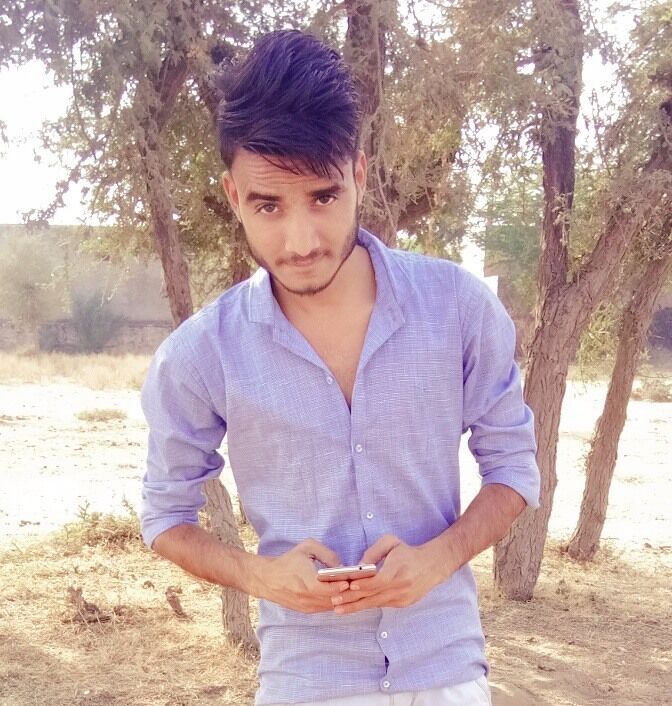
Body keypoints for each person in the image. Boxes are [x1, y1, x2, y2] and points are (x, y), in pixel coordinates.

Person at [140, 29, 540, 706]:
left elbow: (514, 470)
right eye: (268, 205)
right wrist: (262, 577)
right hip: (305, 679)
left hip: (445, 669)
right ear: (233, 195)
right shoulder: (201, 353)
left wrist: (439, 558)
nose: (299, 241)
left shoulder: (458, 309)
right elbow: (164, 518)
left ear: (358, 174)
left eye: (323, 197)